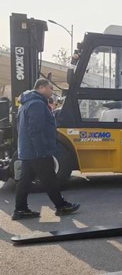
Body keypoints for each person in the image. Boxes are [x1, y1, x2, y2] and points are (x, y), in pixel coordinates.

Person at [11, 78, 80, 220]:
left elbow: (21, 128)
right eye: (50, 88)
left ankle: (20, 209)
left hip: (28, 150)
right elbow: (36, 130)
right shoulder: (37, 104)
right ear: (41, 87)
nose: (51, 91)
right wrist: (41, 151)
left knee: (25, 181)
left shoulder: (26, 103)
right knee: (49, 179)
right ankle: (61, 206)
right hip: (38, 151)